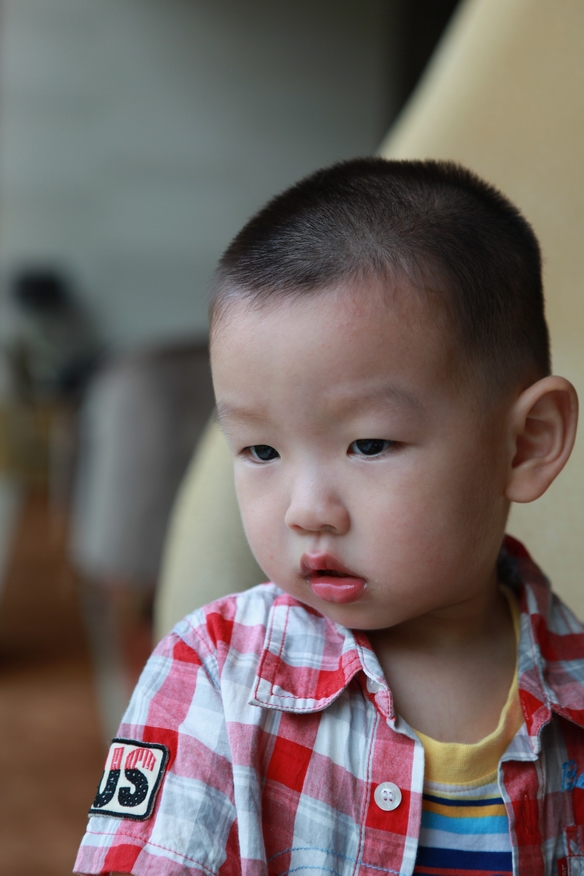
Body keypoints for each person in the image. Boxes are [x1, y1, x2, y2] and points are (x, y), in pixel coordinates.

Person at [74, 159, 584, 876]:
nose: (307, 510)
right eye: (260, 449)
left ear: (526, 443)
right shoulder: (216, 676)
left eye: (369, 444)